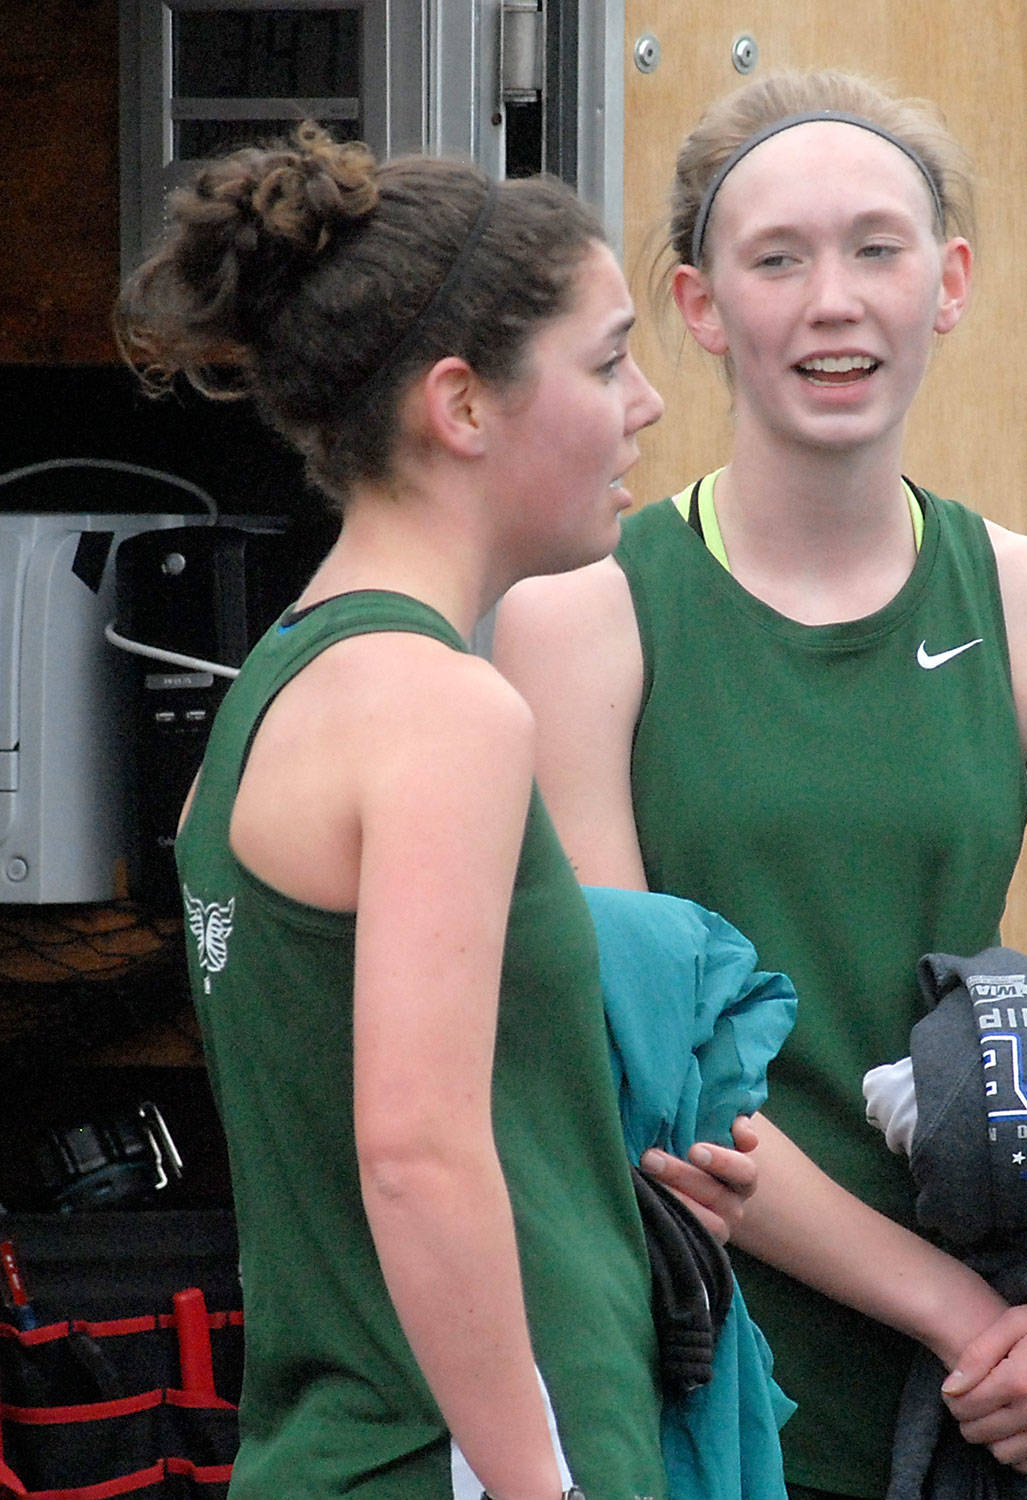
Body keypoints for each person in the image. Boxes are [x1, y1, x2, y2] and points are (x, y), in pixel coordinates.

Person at [493, 68, 1027, 1500]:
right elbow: (655, 1089)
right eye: (778, 258)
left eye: (877, 248)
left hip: (1011, 1405)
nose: (835, 301)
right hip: (706, 1381)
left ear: (946, 282)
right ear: (704, 307)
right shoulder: (581, 617)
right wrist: (975, 1326)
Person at [114, 123, 762, 1500]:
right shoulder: (442, 711)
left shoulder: (286, 677)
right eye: (605, 361)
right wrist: (538, 1482)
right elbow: (414, 1155)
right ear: (461, 407)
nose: (649, 402)